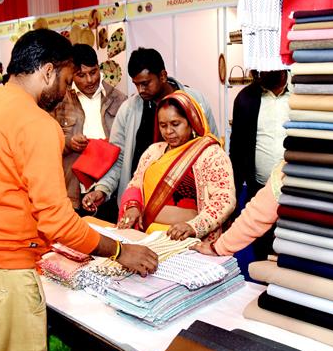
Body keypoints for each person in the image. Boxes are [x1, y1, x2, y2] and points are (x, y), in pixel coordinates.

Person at [0, 29, 157, 351]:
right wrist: (121, 252)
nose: (64, 92)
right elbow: (58, 221)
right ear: (47, 71)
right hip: (3, 272)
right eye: (64, 79)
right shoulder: (36, 123)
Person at [82, 47, 217, 213]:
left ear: (162, 76)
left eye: (145, 83)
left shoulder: (196, 101)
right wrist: (103, 189)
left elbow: (212, 150)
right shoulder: (128, 109)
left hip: (189, 207)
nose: (140, 90)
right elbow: (118, 158)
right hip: (140, 206)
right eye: (136, 84)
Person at [117, 91, 235, 242]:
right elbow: (135, 184)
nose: (168, 131)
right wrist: (133, 206)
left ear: (191, 122)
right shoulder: (154, 152)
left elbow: (225, 200)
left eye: (175, 124)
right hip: (145, 237)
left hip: (188, 239)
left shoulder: (211, 154)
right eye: (163, 125)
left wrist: (194, 226)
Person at [51, 44, 126, 221]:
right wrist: (68, 142)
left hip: (110, 190)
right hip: (73, 191)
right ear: (71, 73)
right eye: (81, 75)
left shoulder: (119, 99)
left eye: (93, 72)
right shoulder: (60, 101)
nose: (90, 80)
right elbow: (44, 144)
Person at [228, 69, 289, 259]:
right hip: (259, 191)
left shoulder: (301, 93)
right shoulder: (246, 98)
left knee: (293, 257)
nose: (259, 73)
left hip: (297, 193)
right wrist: (233, 201)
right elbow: (236, 153)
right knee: (262, 258)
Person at [191, 161, 283, 256]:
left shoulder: (213, 156)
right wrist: (219, 247)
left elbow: (224, 199)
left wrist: (195, 227)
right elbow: (260, 212)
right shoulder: (287, 169)